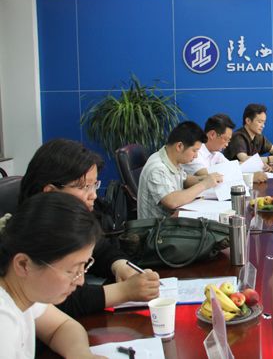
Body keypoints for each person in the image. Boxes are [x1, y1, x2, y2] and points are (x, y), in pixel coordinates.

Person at [19, 139, 160, 317]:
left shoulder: (72, 220)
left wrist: (120, 266)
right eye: (85, 187)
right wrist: (124, 291)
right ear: (51, 192)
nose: (93, 195)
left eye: (94, 185)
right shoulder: (30, 235)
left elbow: (100, 248)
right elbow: (57, 302)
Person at [0, 192, 107, 358]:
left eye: (84, 266)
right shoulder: (4, 322)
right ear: (23, 264)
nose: (80, 281)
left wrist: (81, 355)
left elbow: (62, 326)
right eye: (71, 270)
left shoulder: (24, 290)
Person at [137, 121, 223, 219]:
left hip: (173, 219)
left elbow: (184, 180)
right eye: (194, 150)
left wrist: (205, 178)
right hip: (157, 227)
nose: (196, 156)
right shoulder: (157, 168)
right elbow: (172, 201)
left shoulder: (172, 158)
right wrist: (204, 184)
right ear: (179, 146)